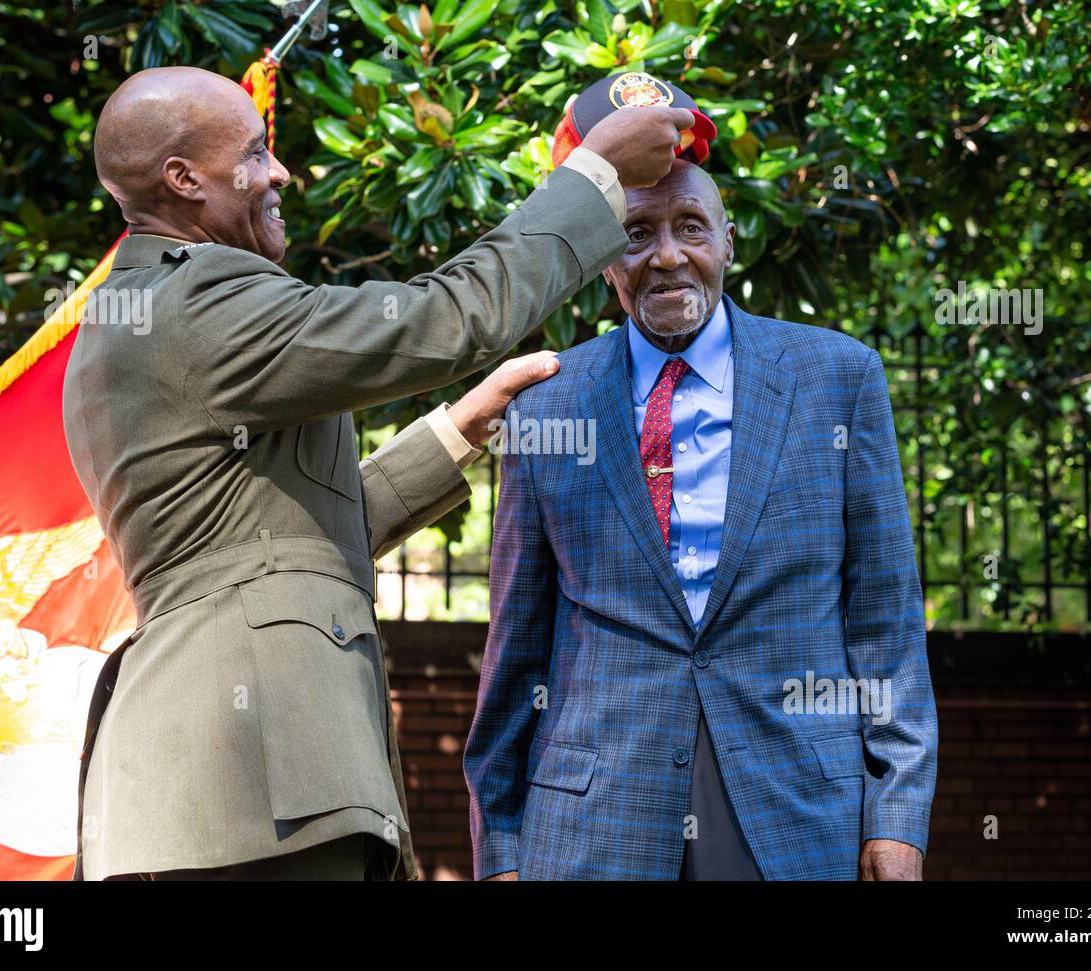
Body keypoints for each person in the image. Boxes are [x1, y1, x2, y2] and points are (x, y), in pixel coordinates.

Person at [63, 65, 694, 880]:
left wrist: (458, 428)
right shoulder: (199, 300)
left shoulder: (144, 310)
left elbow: (287, 542)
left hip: (211, 794)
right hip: (252, 783)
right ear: (184, 180)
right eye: (256, 154)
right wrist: (596, 176)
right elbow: (446, 317)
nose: (280, 171)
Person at [464, 142, 939, 880]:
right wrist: (500, 848)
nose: (667, 256)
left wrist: (899, 816)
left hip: (798, 814)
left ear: (727, 239)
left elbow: (886, 623)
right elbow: (515, 644)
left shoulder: (839, 379)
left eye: (690, 225)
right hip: (593, 825)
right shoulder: (546, 407)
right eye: (636, 233)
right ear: (604, 259)